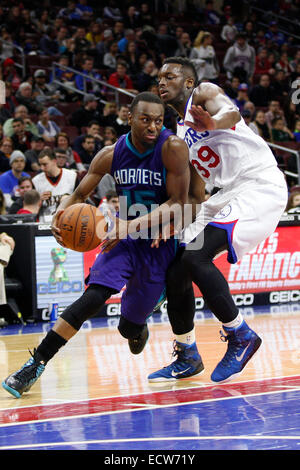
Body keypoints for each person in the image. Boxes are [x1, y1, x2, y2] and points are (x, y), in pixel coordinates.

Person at [2, 91, 191, 398]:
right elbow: (77, 195)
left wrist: (130, 224)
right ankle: (35, 363)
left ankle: (141, 317)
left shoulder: (172, 149)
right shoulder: (111, 153)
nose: (153, 127)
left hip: (157, 245)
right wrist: (59, 215)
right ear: (129, 117)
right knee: (93, 297)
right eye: (145, 120)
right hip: (123, 239)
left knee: (129, 332)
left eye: (158, 121)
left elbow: (178, 203)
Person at [148, 56, 288, 384]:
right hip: (226, 193)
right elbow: (198, 194)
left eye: (170, 76)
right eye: (159, 78)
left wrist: (211, 124)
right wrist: (177, 223)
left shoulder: (204, 94)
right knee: (178, 267)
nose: (162, 82)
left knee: (198, 256)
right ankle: (187, 355)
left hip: (259, 184)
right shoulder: (179, 134)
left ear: (188, 82)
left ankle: (241, 335)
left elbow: (232, 113)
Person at [32, 148, 78, 223]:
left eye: (45, 164)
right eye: (40, 165)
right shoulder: (36, 181)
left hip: (68, 221)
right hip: (44, 223)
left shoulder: (72, 176)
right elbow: (31, 208)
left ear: (54, 161)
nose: (42, 168)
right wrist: (38, 200)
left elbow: (80, 200)